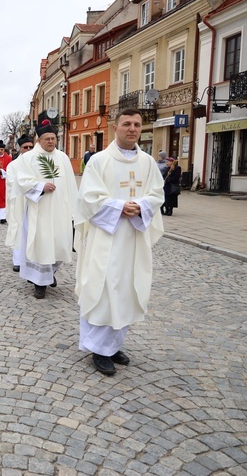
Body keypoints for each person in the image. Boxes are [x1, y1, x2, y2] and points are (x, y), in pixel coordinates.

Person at [74, 108, 164, 376]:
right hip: (106, 238)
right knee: (103, 289)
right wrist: (119, 207)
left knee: (127, 288)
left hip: (134, 238)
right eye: (127, 124)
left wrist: (141, 205)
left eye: (137, 124)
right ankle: (98, 349)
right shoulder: (99, 161)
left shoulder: (148, 163)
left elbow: (157, 194)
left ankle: (112, 345)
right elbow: (88, 197)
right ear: (116, 128)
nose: (132, 129)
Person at [15, 120, 78, 299]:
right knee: (41, 244)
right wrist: (41, 187)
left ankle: (50, 274)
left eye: (53, 138)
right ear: (39, 140)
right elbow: (22, 181)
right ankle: (39, 283)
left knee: (60, 243)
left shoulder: (63, 158)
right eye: (47, 139)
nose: (51, 142)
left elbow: (71, 184)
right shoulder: (29, 158)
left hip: (60, 210)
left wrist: (75, 208)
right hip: (39, 210)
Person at [5, 135, 35, 272]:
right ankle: (17, 260)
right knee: (18, 228)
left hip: (35, 201)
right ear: (20, 148)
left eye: (31, 147)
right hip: (18, 201)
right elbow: (11, 182)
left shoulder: (38, 162)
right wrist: (29, 187)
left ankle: (33, 258)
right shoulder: (13, 165)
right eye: (25, 147)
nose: (28, 149)